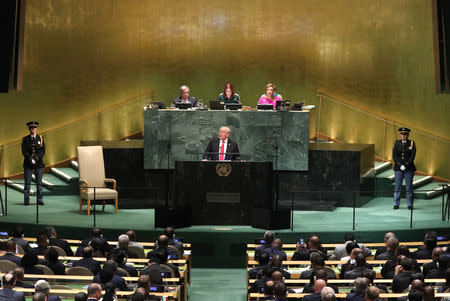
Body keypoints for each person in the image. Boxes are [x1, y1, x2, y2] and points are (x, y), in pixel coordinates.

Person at [21, 121, 45, 206]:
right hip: (28, 163)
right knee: (27, 183)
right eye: (31, 127)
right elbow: (24, 151)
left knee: (39, 183)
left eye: (34, 127)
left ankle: (40, 200)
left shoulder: (41, 138)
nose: (33, 129)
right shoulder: (25, 139)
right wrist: (30, 158)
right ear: (29, 128)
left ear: (36, 128)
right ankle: (26, 200)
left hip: (39, 164)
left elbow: (42, 151)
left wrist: (36, 158)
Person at [392, 127, 416, 210]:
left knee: (409, 187)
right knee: (397, 186)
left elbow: (412, 156)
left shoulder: (411, 143)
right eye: (402, 134)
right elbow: (394, 155)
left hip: (409, 168)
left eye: (405, 134)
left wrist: (405, 165)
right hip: (398, 168)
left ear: (408, 135)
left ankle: (409, 204)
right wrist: (399, 165)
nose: (403, 135)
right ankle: (396, 203)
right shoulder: (397, 143)